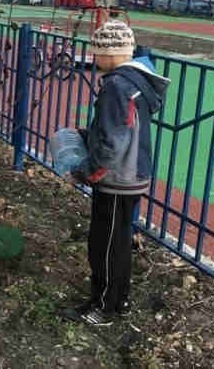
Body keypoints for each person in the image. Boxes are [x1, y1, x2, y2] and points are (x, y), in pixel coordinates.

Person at [66, 20, 169, 326]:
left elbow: (113, 141)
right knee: (119, 240)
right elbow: (123, 128)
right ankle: (118, 298)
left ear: (110, 53)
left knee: (105, 244)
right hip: (132, 172)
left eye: (96, 51)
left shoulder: (116, 86)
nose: (94, 58)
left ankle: (104, 307)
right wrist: (90, 137)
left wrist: (88, 171)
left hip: (116, 178)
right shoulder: (135, 82)